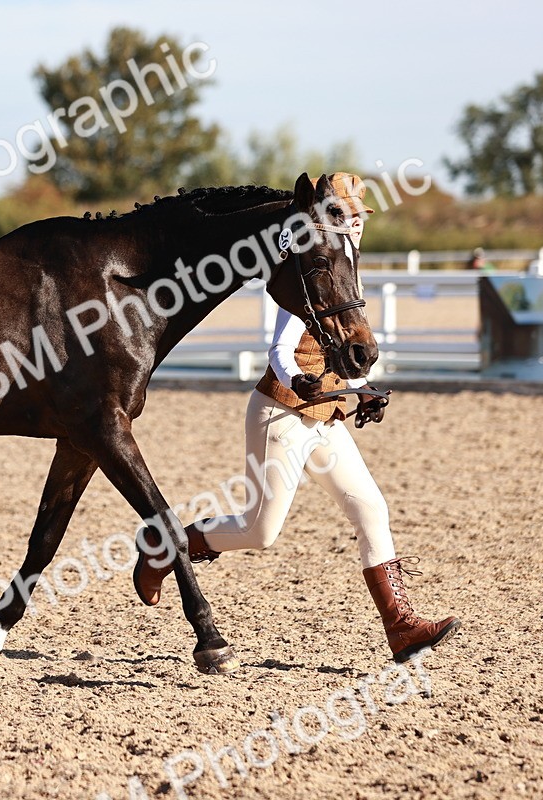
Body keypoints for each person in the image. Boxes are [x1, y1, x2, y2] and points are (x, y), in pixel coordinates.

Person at [134, 173, 460, 664]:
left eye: (358, 218)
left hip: (325, 417)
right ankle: (165, 545)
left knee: (370, 508)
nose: (355, 225)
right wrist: (298, 381)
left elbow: (340, 357)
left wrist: (359, 391)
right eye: (347, 216)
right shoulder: (312, 273)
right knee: (260, 532)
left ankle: (402, 627)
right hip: (281, 416)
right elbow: (282, 349)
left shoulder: (345, 274)